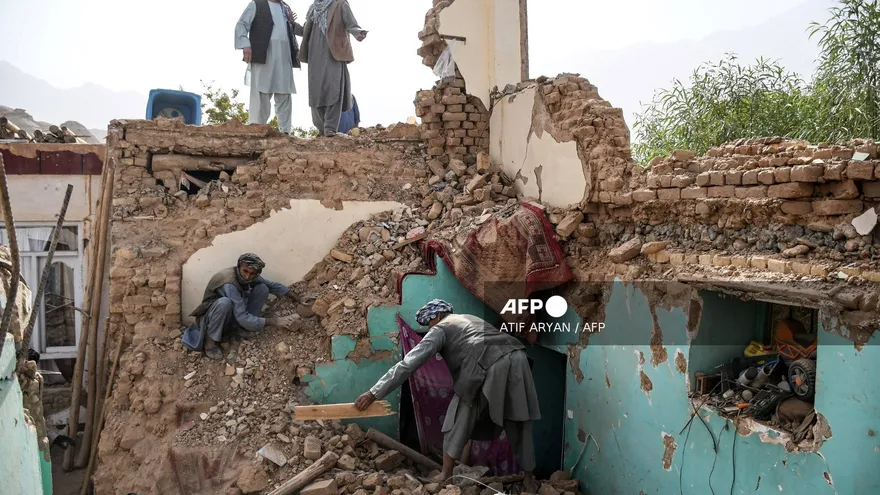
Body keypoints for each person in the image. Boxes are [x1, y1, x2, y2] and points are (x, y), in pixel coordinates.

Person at [354, 299, 541, 492]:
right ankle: (529, 479)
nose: (429, 327)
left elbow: (408, 364)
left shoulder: (440, 328)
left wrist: (374, 392)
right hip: (518, 357)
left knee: (457, 416)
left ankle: (446, 474)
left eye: (428, 323)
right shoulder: (470, 318)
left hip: (486, 362)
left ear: (435, 316)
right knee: (519, 420)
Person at [188, 253, 300, 360]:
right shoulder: (229, 283)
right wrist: (276, 321)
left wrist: (298, 299)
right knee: (224, 303)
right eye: (245, 271)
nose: (247, 276)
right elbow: (241, 317)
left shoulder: (252, 276)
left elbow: (272, 286)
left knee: (263, 288)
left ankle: (243, 329)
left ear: (257, 273)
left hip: (232, 315)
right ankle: (210, 343)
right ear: (239, 267)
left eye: (252, 274)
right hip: (212, 318)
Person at [299, 0, 367, 137]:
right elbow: (305, 31)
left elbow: (351, 24)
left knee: (333, 90)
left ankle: (330, 127)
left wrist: (358, 32)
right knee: (316, 93)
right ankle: (321, 128)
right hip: (314, 55)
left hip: (334, 54)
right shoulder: (313, 8)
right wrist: (291, 23)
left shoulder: (340, 4)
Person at [235, 0, 303, 134]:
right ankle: (257, 130)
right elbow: (241, 25)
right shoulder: (256, 4)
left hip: (284, 57)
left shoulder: (285, 7)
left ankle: (285, 132)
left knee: (284, 93)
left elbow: (293, 30)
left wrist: (292, 22)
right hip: (264, 56)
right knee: (262, 93)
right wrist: (245, 44)